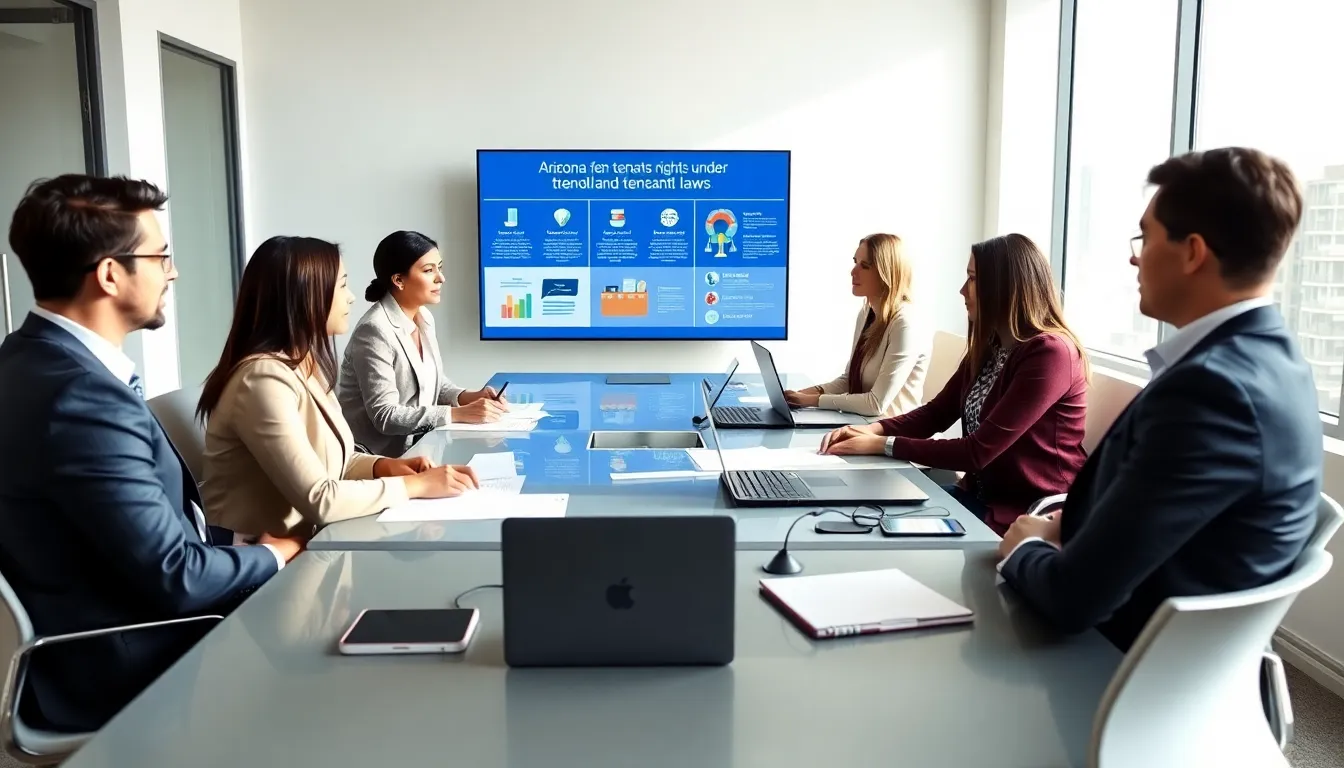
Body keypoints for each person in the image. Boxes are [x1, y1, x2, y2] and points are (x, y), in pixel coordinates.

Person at [0, 174, 304, 732]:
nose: (173, 271)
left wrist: (246, 547)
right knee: (330, 675)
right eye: (161, 256)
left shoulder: (23, 360)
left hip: (104, 629)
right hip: (129, 663)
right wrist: (276, 555)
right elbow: (176, 575)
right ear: (111, 274)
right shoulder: (82, 398)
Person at [997, 147, 1322, 651]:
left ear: (1193, 253)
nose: (1133, 254)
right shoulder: (1275, 361)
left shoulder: (1213, 392)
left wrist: (1025, 549)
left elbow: (1073, 598)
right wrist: (1077, 528)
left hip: (1113, 665)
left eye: (1145, 236)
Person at [197, 236, 480, 539]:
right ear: (306, 295)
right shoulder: (262, 379)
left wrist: (385, 467)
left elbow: (336, 462)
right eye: (342, 285)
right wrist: (416, 486)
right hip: (259, 562)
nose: (352, 297)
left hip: (307, 547)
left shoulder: (304, 364)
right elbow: (321, 499)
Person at [820, 234, 1089, 534]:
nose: (963, 291)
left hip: (1029, 516)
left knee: (880, 528)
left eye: (972, 279)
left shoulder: (1050, 353)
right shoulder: (992, 345)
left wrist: (883, 445)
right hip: (979, 500)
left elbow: (977, 452)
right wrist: (873, 429)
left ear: (1004, 286)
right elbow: (936, 413)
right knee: (865, 518)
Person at [338, 230, 506, 456]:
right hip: (377, 459)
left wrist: (470, 397)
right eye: (429, 270)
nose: (441, 278)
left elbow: (431, 384)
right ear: (398, 280)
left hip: (419, 450)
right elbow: (385, 416)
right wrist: (458, 414)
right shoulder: (374, 330)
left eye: (440, 267)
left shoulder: (423, 317)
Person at [783, 233, 931, 417]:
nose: (853, 272)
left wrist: (812, 401)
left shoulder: (905, 325)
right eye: (855, 262)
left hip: (890, 432)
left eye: (865, 266)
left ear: (887, 273)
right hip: (862, 423)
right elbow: (848, 382)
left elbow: (876, 404)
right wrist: (800, 395)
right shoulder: (867, 313)